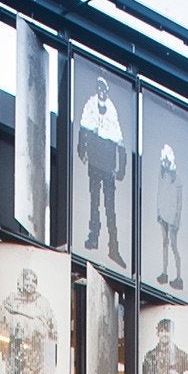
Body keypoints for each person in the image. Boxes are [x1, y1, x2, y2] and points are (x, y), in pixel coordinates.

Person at [76, 76, 126, 268]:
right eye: (99, 88)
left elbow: (120, 141)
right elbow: (83, 129)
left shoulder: (112, 111)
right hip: (95, 163)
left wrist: (121, 168)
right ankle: (93, 237)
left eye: (104, 88)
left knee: (110, 207)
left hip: (108, 166)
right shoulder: (90, 106)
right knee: (94, 201)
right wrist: (82, 151)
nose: (101, 91)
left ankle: (113, 247)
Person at [155, 144, 183, 291]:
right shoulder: (162, 177)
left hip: (172, 218)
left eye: (167, 161)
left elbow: (179, 203)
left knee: (173, 245)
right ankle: (164, 273)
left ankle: (179, 277)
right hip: (164, 214)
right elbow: (160, 195)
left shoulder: (176, 180)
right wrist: (158, 212)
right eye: (163, 161)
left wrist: (176, 221)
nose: (165, 164)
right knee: (164, 244)